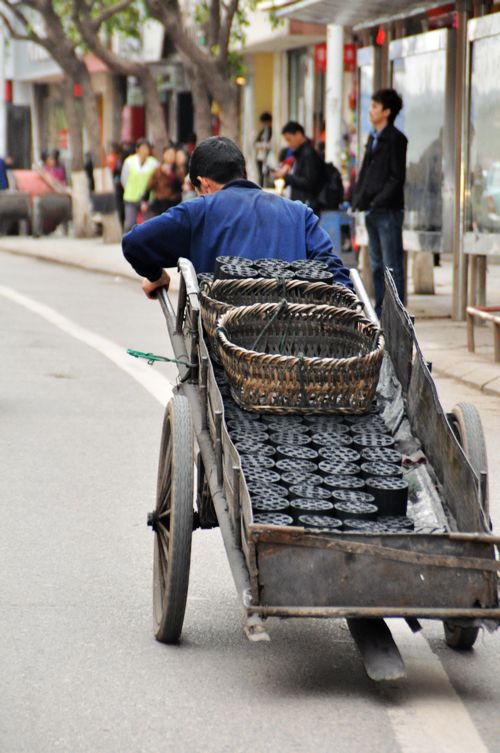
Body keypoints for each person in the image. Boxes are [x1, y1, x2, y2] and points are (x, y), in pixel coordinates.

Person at [122, 136, 352, 298]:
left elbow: (133, 243)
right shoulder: (300, 213)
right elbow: (334, 270)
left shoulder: (198, 210)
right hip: (295, 343)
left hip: (226, 345)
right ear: (245, 173)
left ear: (203, 183)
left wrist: (156, 275)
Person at [351, 88, 407, 317]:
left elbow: (396, 177)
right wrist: (358, 199)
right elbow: (365, 172)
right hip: (372, 211)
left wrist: (378, 200)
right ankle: (381, 311)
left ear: (386, 111)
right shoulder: (372, 138)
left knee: (391, 266)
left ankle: (396, 315)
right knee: (375, 266)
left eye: (375, 107)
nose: (370, 111)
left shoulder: (395, 139)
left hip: (388, 211)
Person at [273, 121, 326, 213]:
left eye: (289, 140)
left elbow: (309, 182)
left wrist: (286, 177)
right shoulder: (299, 153)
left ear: (298, 134)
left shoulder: (308, 154)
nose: (289, 144)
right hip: (302, 204)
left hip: (308, 205)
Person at [120, 138, 159, 232]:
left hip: (147, 198)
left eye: (146, 148)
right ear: (137, 149)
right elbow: (124, 179)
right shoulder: (129, 161)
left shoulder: (153, 163)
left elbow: (155, 181)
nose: (144, 151)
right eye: (142, 148)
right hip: (131, 197)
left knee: (148, 225)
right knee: (130, 224)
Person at [145, 145, 182, 218]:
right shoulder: (158, 169)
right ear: (164, 155)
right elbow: (150, 186)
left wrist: (170, 175)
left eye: (172, 154)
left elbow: (179, 187)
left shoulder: (178, 170)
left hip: (173, 203)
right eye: (168, 154)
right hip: (159, 203)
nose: (170, 156)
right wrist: (145, 201)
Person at [255, 112, 272, 187]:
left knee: (266, 174)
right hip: (260, 156)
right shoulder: (262, 131)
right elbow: (255, 142)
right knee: (260, 174)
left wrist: (263, 145)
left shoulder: (271, 131)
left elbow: (271, 144)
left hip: (268, 157)